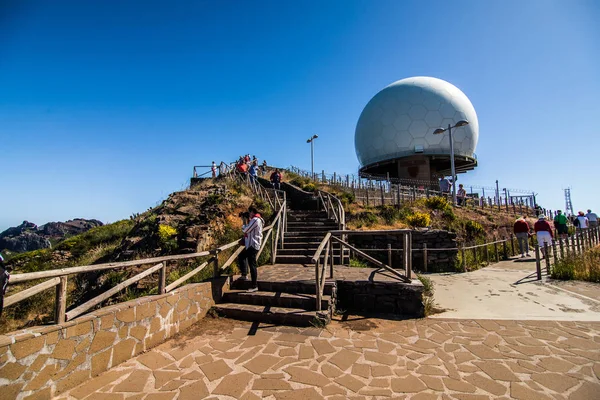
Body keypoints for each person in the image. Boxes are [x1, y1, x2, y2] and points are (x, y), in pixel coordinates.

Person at [238, 206, 264, 292]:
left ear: (252, 211)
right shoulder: (258, 219)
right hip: (251, 245)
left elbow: (246, 230)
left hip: (253, 245)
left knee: (252, 265)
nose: (249, 214)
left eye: (249, 212)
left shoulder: (256, 220)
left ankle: (254, 286)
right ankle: (244, 274)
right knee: (242, 256)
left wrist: (244, 223)